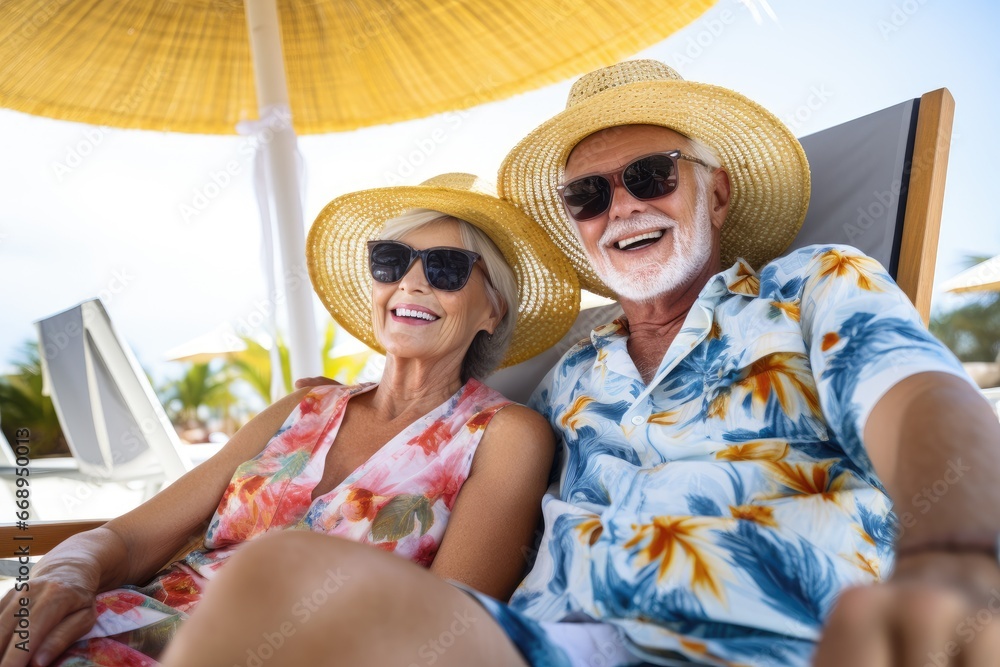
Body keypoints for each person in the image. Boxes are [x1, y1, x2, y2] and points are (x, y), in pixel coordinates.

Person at [155, 62, 999, 667]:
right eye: (587, 196)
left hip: (768, 638)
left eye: (651, 174)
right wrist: (336, 406)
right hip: (537, 643)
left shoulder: (811, 286)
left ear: (719, 191)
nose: (620, 205)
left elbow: (924, 398)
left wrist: (960, 551)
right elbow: (452, 430)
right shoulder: (574, 371)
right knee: (278, 581)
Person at [0, 173, 581, 667]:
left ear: (493, 308)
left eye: (448, 267)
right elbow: (127, 539)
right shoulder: (300, 410)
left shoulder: (502, 435)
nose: (411, 280)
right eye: (391, 260)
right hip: (114, 626)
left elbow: (449, 623)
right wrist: (68, 571)